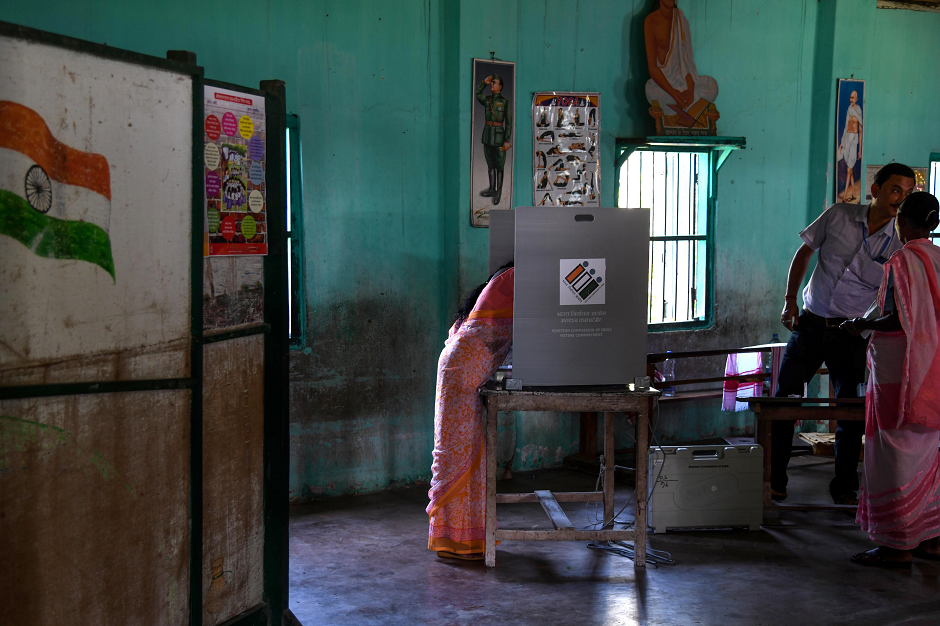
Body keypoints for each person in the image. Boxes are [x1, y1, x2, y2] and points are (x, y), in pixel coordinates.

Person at [773, 163, 916, 504]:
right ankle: (774, 480)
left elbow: (895, 294)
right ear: (875, 190)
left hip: (852, 334)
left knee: (851, 410)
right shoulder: (838, 215)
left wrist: (869, 326)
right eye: (895, 190)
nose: (900, 199)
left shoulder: (901, 240)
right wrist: (790, 301)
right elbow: (804, 252)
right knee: (783, 402)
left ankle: (845, 487)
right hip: (810, 324)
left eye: (908, 193)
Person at [839, 193, 940, 567]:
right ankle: (931, 539)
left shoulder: (902, 260)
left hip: (900, 370)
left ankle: (897, 543)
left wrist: (860, 323)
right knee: (927, 451)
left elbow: (897, 319)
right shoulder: (938, 258)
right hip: (932, 369)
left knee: (892, 449)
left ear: (904, 221)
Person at [427, 265, 514, 560]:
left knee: (464, 454)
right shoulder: (515, 277)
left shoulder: (506, 277)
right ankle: (456, 540)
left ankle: (463, 539)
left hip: (459, 368)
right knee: (460, 455)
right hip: (462, 372)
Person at [643, 0, 718, 113]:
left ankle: (683, 107)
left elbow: (687, 64)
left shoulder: (681, 19)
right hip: (664, 87)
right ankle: (687, 108)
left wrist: (691, 90)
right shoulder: (651, 21)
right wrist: (673, 92)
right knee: (650, 91)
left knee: (712, 87)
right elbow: (653, 69)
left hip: (684, 84)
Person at [475, 74, 512, 205]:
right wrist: (483, 83)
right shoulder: (487, 99)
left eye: (494, 83)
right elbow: (477, 93)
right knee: (490, 164)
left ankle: (499, 192)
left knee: (499, 165)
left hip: (499, 137)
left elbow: (508, 122)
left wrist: (507, 140)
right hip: (487, 136)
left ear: (500, 87)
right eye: (491, 83)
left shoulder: (505, 102)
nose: (492, 85)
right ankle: (491, 189)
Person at [838, 91, 863, 203]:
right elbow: (845, 128)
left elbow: (861, 132)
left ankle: (845, 196)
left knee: (849, 169)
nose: (851, 100)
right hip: (847, 138)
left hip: (854, 140)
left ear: (857, 99)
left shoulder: (858, 111)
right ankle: (853, 192)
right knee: (850, 169)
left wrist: (859, 151)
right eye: (850, 97)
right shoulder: (849, 109)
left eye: (853, 98)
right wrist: (842, 143)